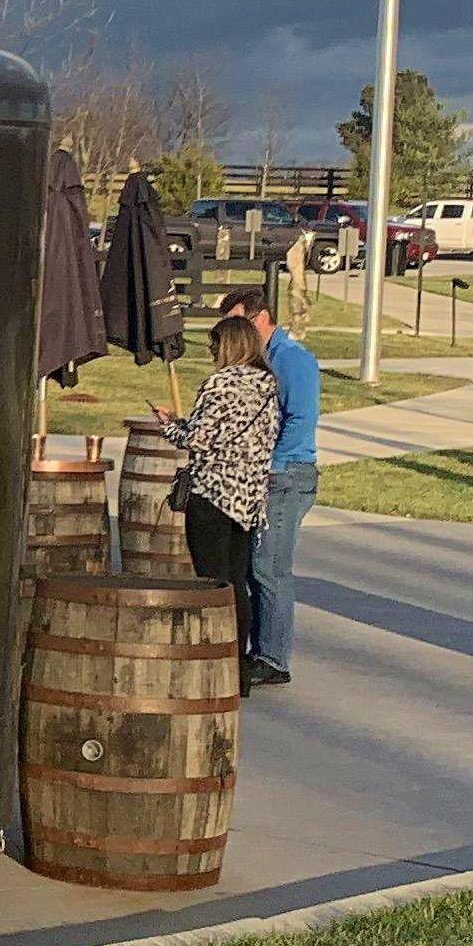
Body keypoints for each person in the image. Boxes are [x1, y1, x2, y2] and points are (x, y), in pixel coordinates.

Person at [155, 316, 279, 663]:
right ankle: (237, 663)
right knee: (235, 582)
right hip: (248, 501)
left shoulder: (220, 383)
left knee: (211, 581)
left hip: (212, 494)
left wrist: (169, 427)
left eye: (214, 345)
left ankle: (214, 656)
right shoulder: (268, 385)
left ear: (227, 346)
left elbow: (198, 438)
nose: (212, 352)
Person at [217, 285, 321, 687]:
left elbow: (300, 419)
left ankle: (274, 658)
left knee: (270, 568)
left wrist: (270, 465)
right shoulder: (258, 359)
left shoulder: (292, 360)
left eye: (237, 322)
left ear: (260, 319)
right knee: (250, 565)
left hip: (287, 474)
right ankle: (257, 648)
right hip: (263, 474)